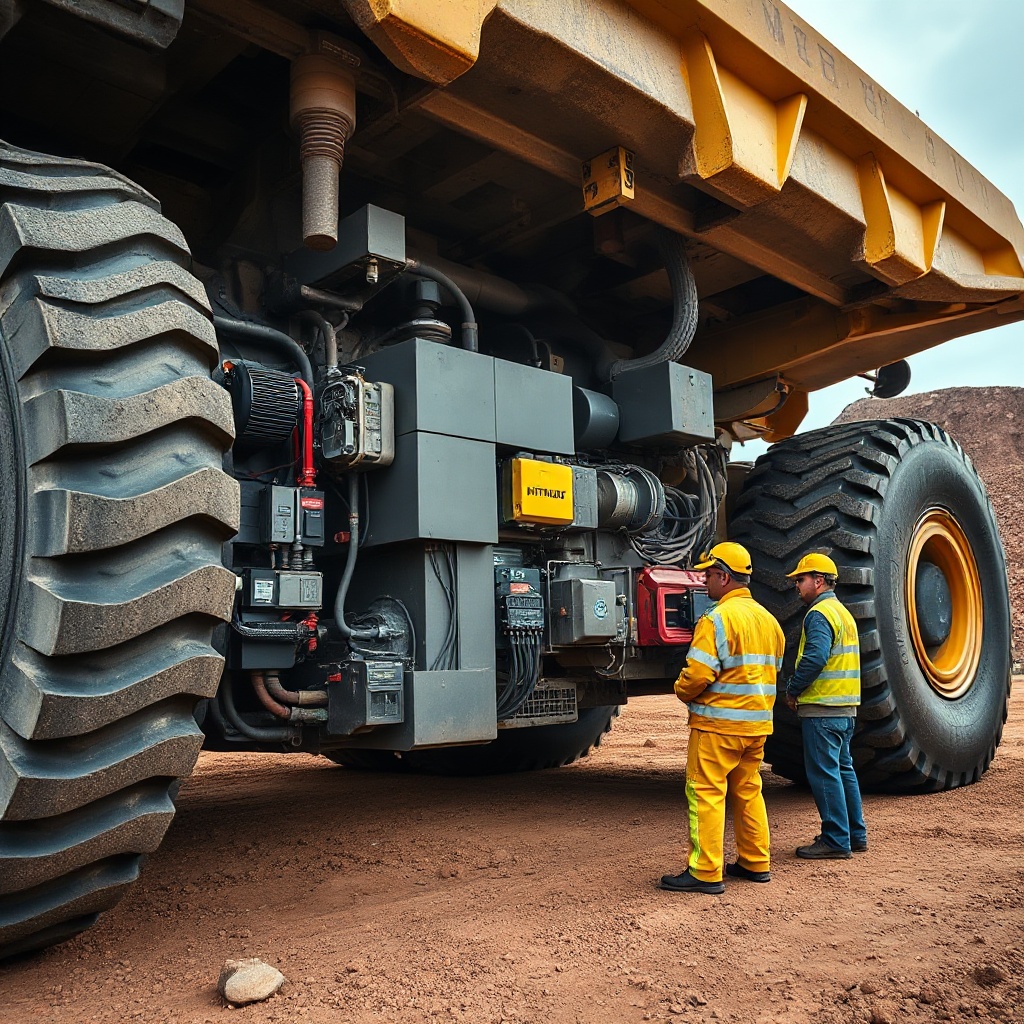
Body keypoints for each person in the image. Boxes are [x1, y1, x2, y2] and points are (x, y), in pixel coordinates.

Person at [660, 542, 786, 894]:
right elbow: (771, 671)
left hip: (717, 728)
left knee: (705, 792)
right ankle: (755, 861)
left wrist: (681, 690)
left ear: (724, 576)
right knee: (748, 790)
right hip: (756, 727)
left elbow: (698, 674)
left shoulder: (716, 619)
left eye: (708, 575)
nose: (704, 582)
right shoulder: (770, 622)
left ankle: (705, 871)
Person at [784, 553, 868, 860]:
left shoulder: (818, 614)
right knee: (843, 770)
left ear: (818, 581)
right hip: (844, 708)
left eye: (800, 579)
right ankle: (854, 834)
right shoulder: (841, 612)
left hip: (822, 709)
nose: (796, 585)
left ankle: (835, 839)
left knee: (824, 774)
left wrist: (793, 689)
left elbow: (816, 658)